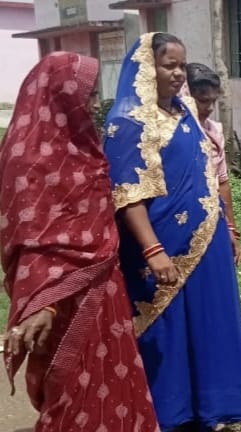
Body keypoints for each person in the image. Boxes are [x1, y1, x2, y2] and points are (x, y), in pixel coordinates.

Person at [104, 33, 241, 429]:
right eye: (168, 65)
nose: (177, 74)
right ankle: (167, 413)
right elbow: (128, 195)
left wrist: (227, 226)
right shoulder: (128, 121)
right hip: (161, 245)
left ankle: (210, 408)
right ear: (146, 67)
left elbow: (209, 175)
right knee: (167, 329)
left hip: (207, 243)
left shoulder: (185, 112)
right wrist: (153, 250)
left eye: (180, 66)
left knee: (210, 323)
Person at [1, 53, 159, 431]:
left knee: (114, 378)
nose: (91, 104)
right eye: (83, 94)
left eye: (92, 95)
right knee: (72, 386)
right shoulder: (28, 159)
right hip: (60, 297)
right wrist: (46, 302)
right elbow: (30, 238)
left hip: (106, 285)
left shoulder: (86, 144)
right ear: (57, 94)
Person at [185, 62, 241, 265]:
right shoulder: (173, 134)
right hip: (183, 223)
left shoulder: (214, 132)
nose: (209, 108)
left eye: (213, 101)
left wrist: (230, 228)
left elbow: (222, 182)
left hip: (213, 220)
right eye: (202, 101)